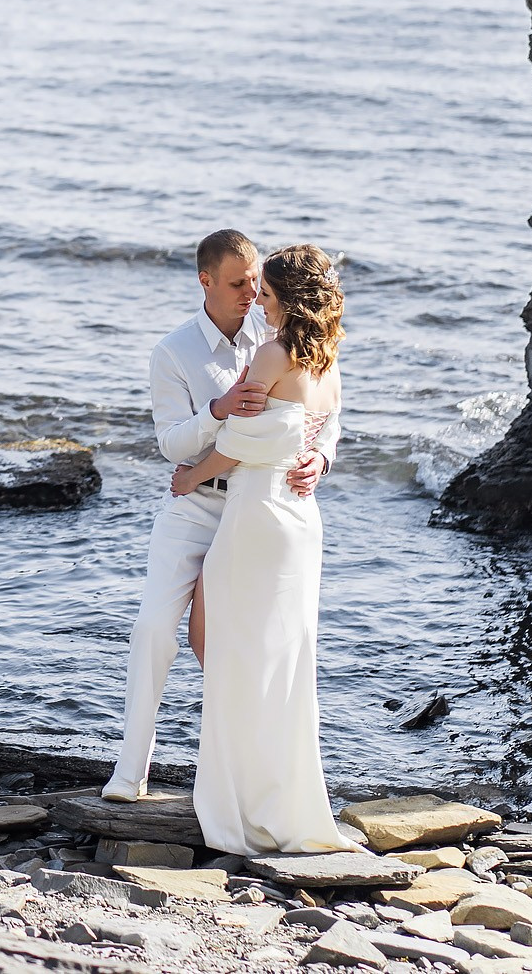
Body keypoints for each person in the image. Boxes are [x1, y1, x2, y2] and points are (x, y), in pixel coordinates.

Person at [102, 229, 329, 805]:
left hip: (259, 510)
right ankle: (132, 771)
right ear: (205, 281)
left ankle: (237, 773)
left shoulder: (277, 332)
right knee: (155, 627)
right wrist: (217, 410)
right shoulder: (172, 352)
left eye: (257, 280)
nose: (252, 293)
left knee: (239, 646)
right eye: (238, 283)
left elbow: (324, 403)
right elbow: (173, 445)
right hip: (195, 507)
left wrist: (322, 458)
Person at [170, 243, 353, 855]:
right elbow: (323, 425)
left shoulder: (273, 353)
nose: (259, 306)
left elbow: (243, 440)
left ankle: (239, 797)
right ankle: (273, 790)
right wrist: (320, 457)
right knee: (279, 656)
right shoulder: (325, 355)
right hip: (300, 518)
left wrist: (192, 475)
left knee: (219, 640)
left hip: (258, 513)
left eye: (268, 296)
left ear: (291, 300)